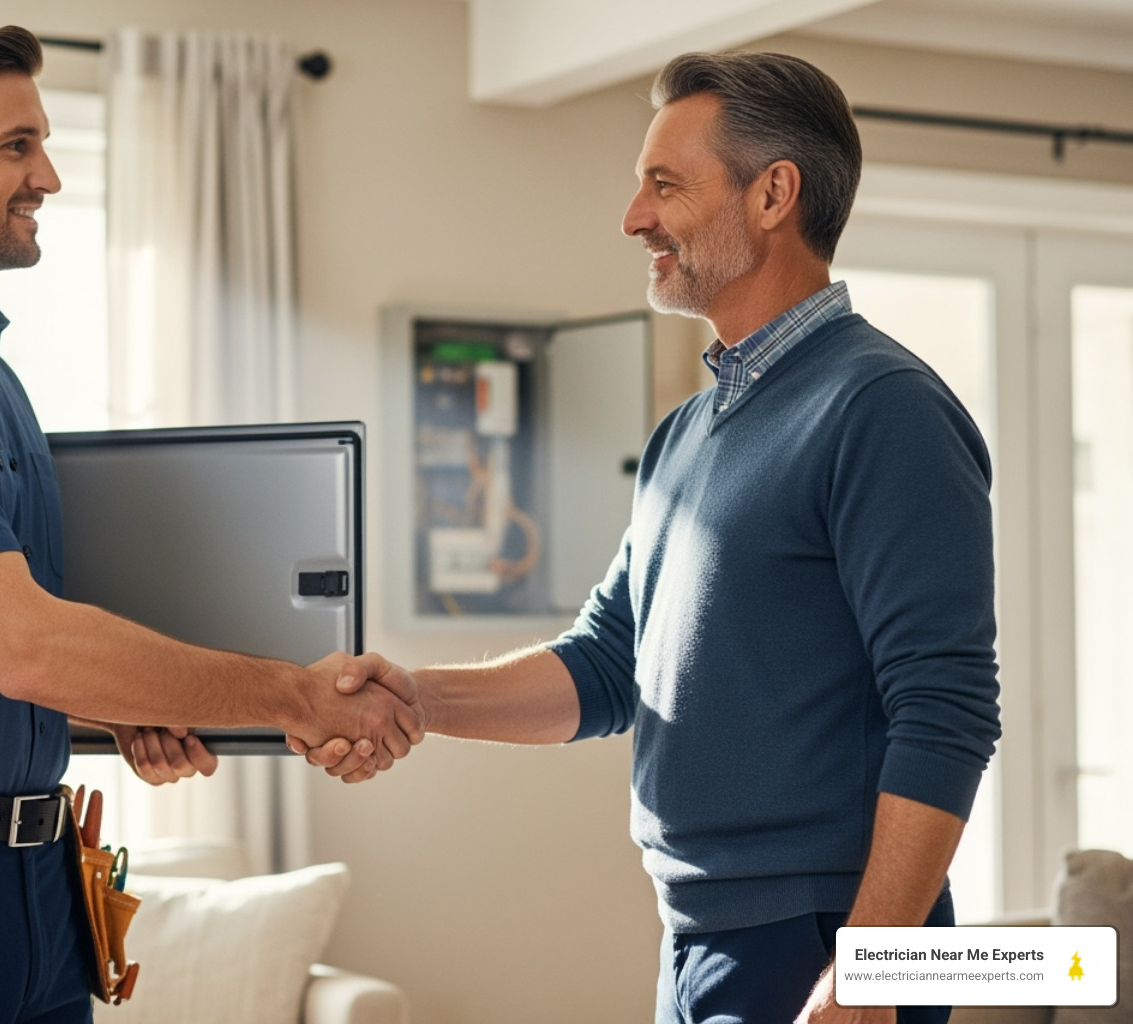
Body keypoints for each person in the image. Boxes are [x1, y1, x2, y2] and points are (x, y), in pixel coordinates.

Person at [297, 51, 1001, 1024]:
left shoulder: (883, 410)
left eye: (663, 185)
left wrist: (870, 977)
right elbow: (608, 663)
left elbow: (947, 711)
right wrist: (414, 697)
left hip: (824, 943)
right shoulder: (686, 432)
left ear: (773, 195)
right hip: (698, 940)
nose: (634, 217)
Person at [0, 22, 420, 1024]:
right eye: (16, 145)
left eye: (44, 144)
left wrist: (120, 705)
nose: (48, 176)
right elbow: (23, 644)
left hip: (36, 881)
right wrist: (291, 694)